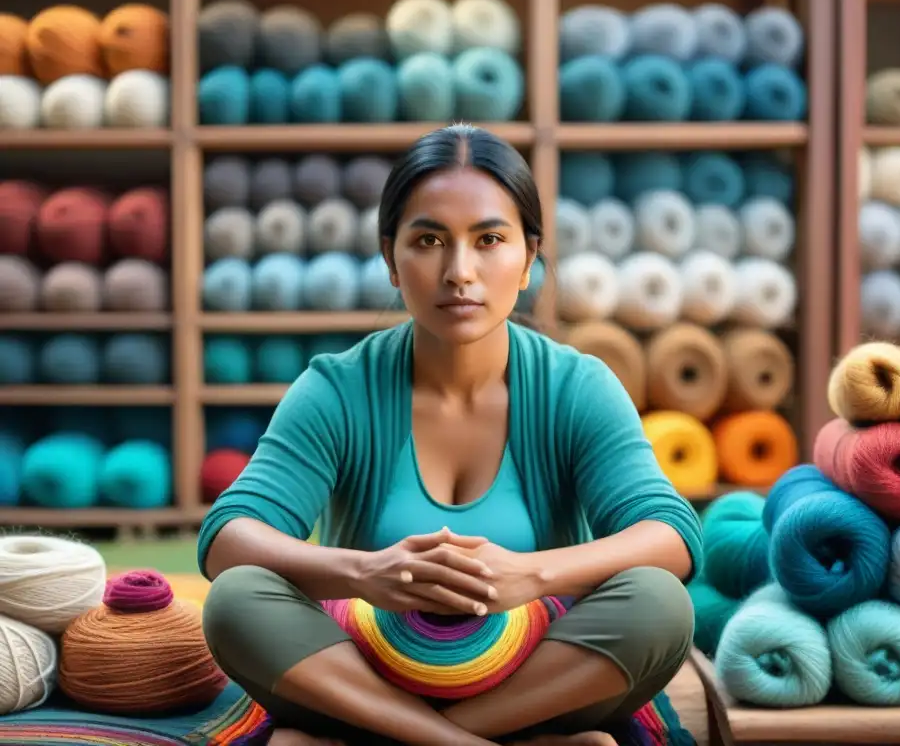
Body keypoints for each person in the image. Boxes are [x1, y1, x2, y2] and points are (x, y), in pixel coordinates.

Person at [197, 124, 704, 746]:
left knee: (659, 603)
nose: (459, 271)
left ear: (528, 260)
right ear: (390, 260)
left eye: (489, 239)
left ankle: (412, 739)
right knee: (236, 599)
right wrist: (361, 572)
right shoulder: (337, 387)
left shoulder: (577, 385)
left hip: (533, 682)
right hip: (369, 674)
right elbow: (227, 537)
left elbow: (670, 535)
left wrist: (531, 575)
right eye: (429, 239)